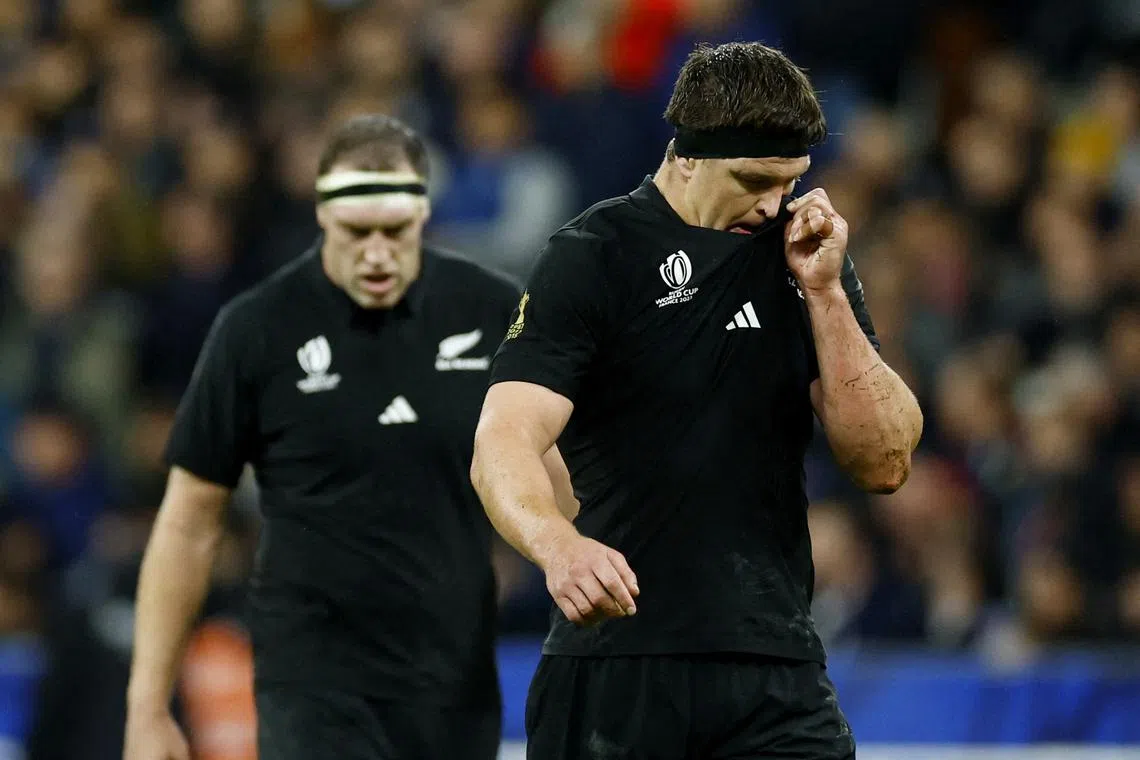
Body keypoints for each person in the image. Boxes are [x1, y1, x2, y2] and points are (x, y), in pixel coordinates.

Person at [470, 42, 924, 759]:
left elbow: (886, 460)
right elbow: (503, 438)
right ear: (685, 156)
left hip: (774, 668)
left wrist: (828, 293)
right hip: (616, 667)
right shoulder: (595, 256)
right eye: (753, 179)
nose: (774, 204)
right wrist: (557, 546)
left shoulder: (802, 258)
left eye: (791, 181)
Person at [124, 114, 527, 760]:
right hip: (313, 682)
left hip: (456, 682)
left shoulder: (492, 311)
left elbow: (565, 466)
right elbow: (187, 524)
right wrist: (147, 706)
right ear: (320, 215)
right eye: (355, 232)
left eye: (394, 232)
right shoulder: (256, 330)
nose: (375, 252)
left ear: (423, 214)